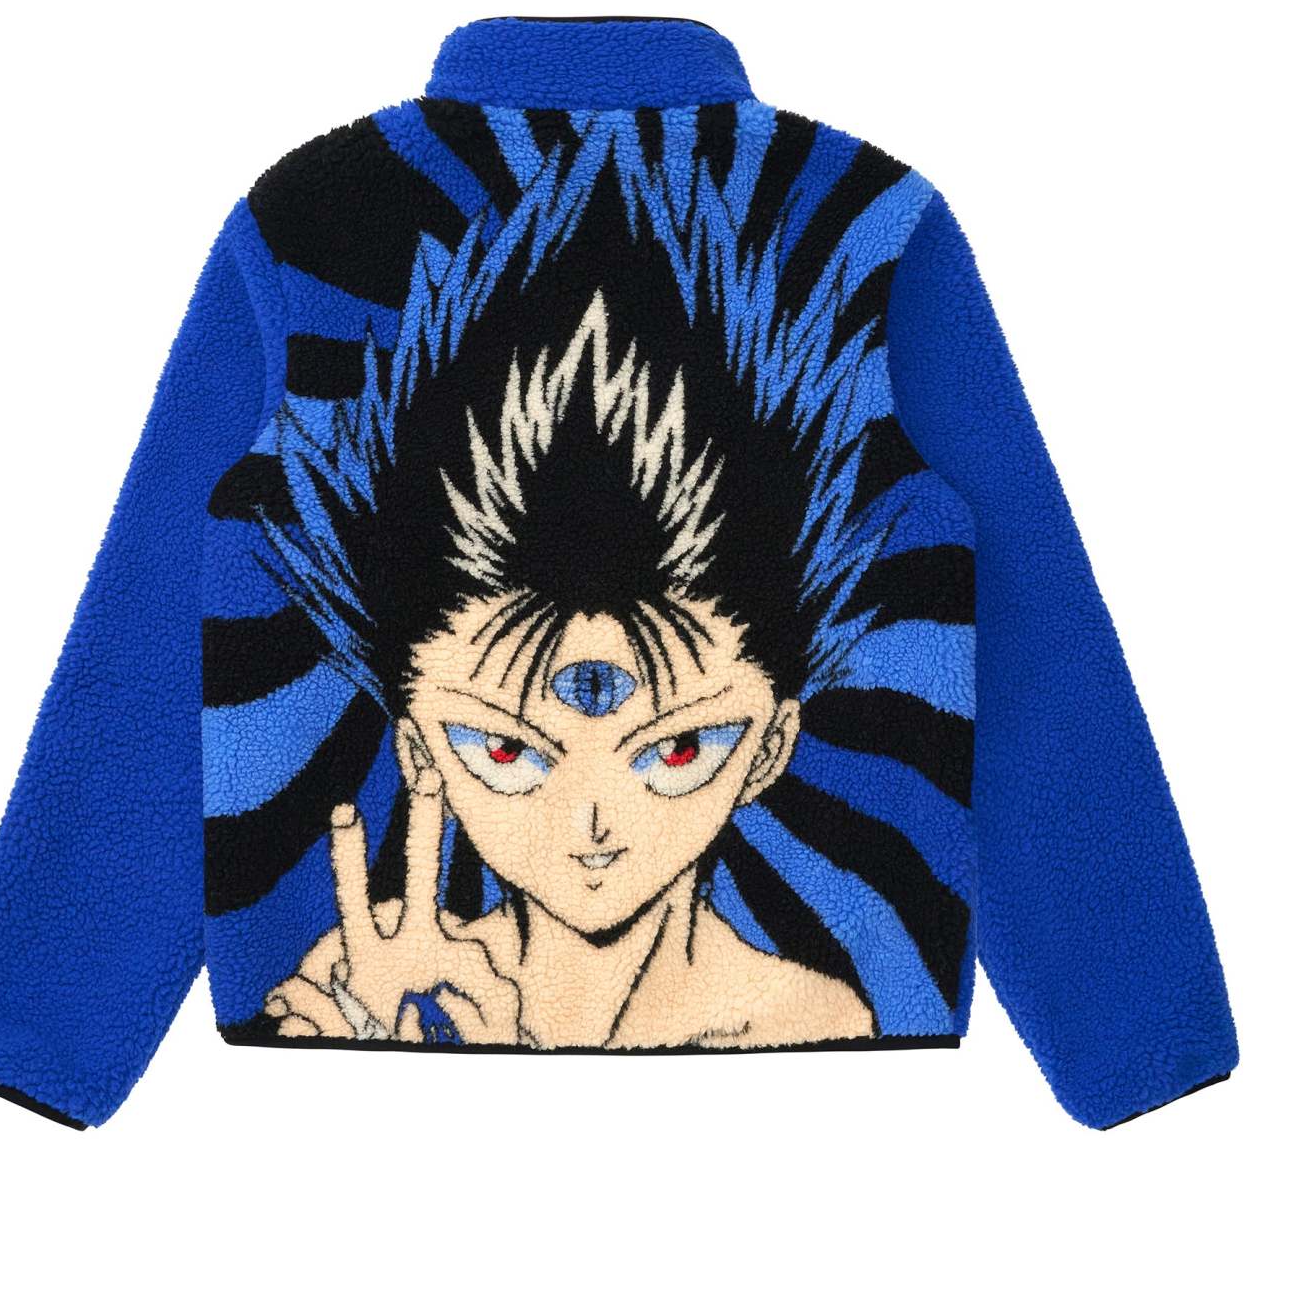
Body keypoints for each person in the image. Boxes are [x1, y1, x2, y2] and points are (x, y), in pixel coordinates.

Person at [253, 117, 919, 1047]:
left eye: (677, 750)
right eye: (504, 749)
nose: (593, 822)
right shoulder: (373, 989)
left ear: (771, 746)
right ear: (417, 751)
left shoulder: (811, 1022)